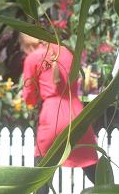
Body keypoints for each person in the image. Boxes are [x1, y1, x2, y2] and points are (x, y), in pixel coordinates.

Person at [20, 34, 98, 194]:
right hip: (76, 113)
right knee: (93, 168)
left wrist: (33, 100)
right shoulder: (67, 52)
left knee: (41, 174)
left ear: (27, 45)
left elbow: (29, 97)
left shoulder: (33, 58)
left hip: (52, 116)